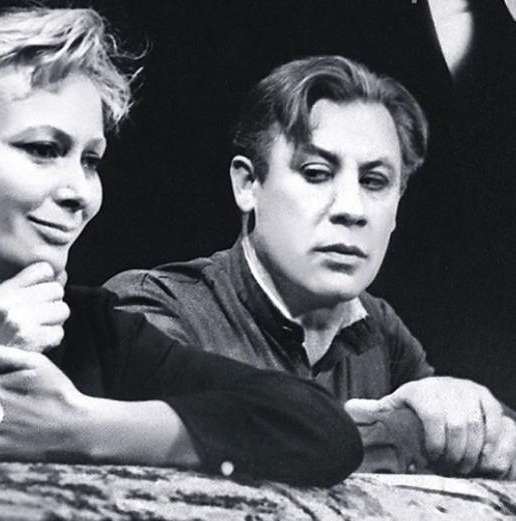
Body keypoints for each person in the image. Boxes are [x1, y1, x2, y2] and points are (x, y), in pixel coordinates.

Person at [0, 8, 363, 486]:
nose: (80, 192)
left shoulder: (92, 328)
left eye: (91, 160)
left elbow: (319, 429)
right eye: (43, 150)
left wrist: (76, 426)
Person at [106, 55, 516, 478]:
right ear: (248, 185)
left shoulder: (379, 330)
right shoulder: (154, 307)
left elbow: (491, 439)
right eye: (317, 173)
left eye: (374, 182)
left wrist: (466, 411)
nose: (352, 209)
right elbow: (195, 448)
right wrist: (405, 432)